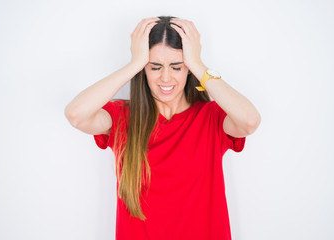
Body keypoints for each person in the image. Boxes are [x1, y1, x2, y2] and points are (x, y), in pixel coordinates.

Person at [65, 16, 261, 240]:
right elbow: (76, 114)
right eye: (155, 67)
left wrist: (197, 63)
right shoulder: (123, 117)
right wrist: (134, 64)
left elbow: (249, 121)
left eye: (177, 67)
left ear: (188, 69)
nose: (165, 77)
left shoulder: (210, 117)